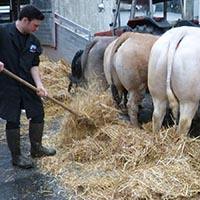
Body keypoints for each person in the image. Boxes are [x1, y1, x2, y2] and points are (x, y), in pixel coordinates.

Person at [0, 5, 56, 169]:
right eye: (35, 25)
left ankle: (36, 148)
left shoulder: (33, 41)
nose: (36, 29)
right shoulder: (3, 32)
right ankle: (16, 156)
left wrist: (39, 85)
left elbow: (34, 65)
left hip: (27, 83)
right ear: (25, 20)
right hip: (7, 84)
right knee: (13, 119)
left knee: (38, 113)